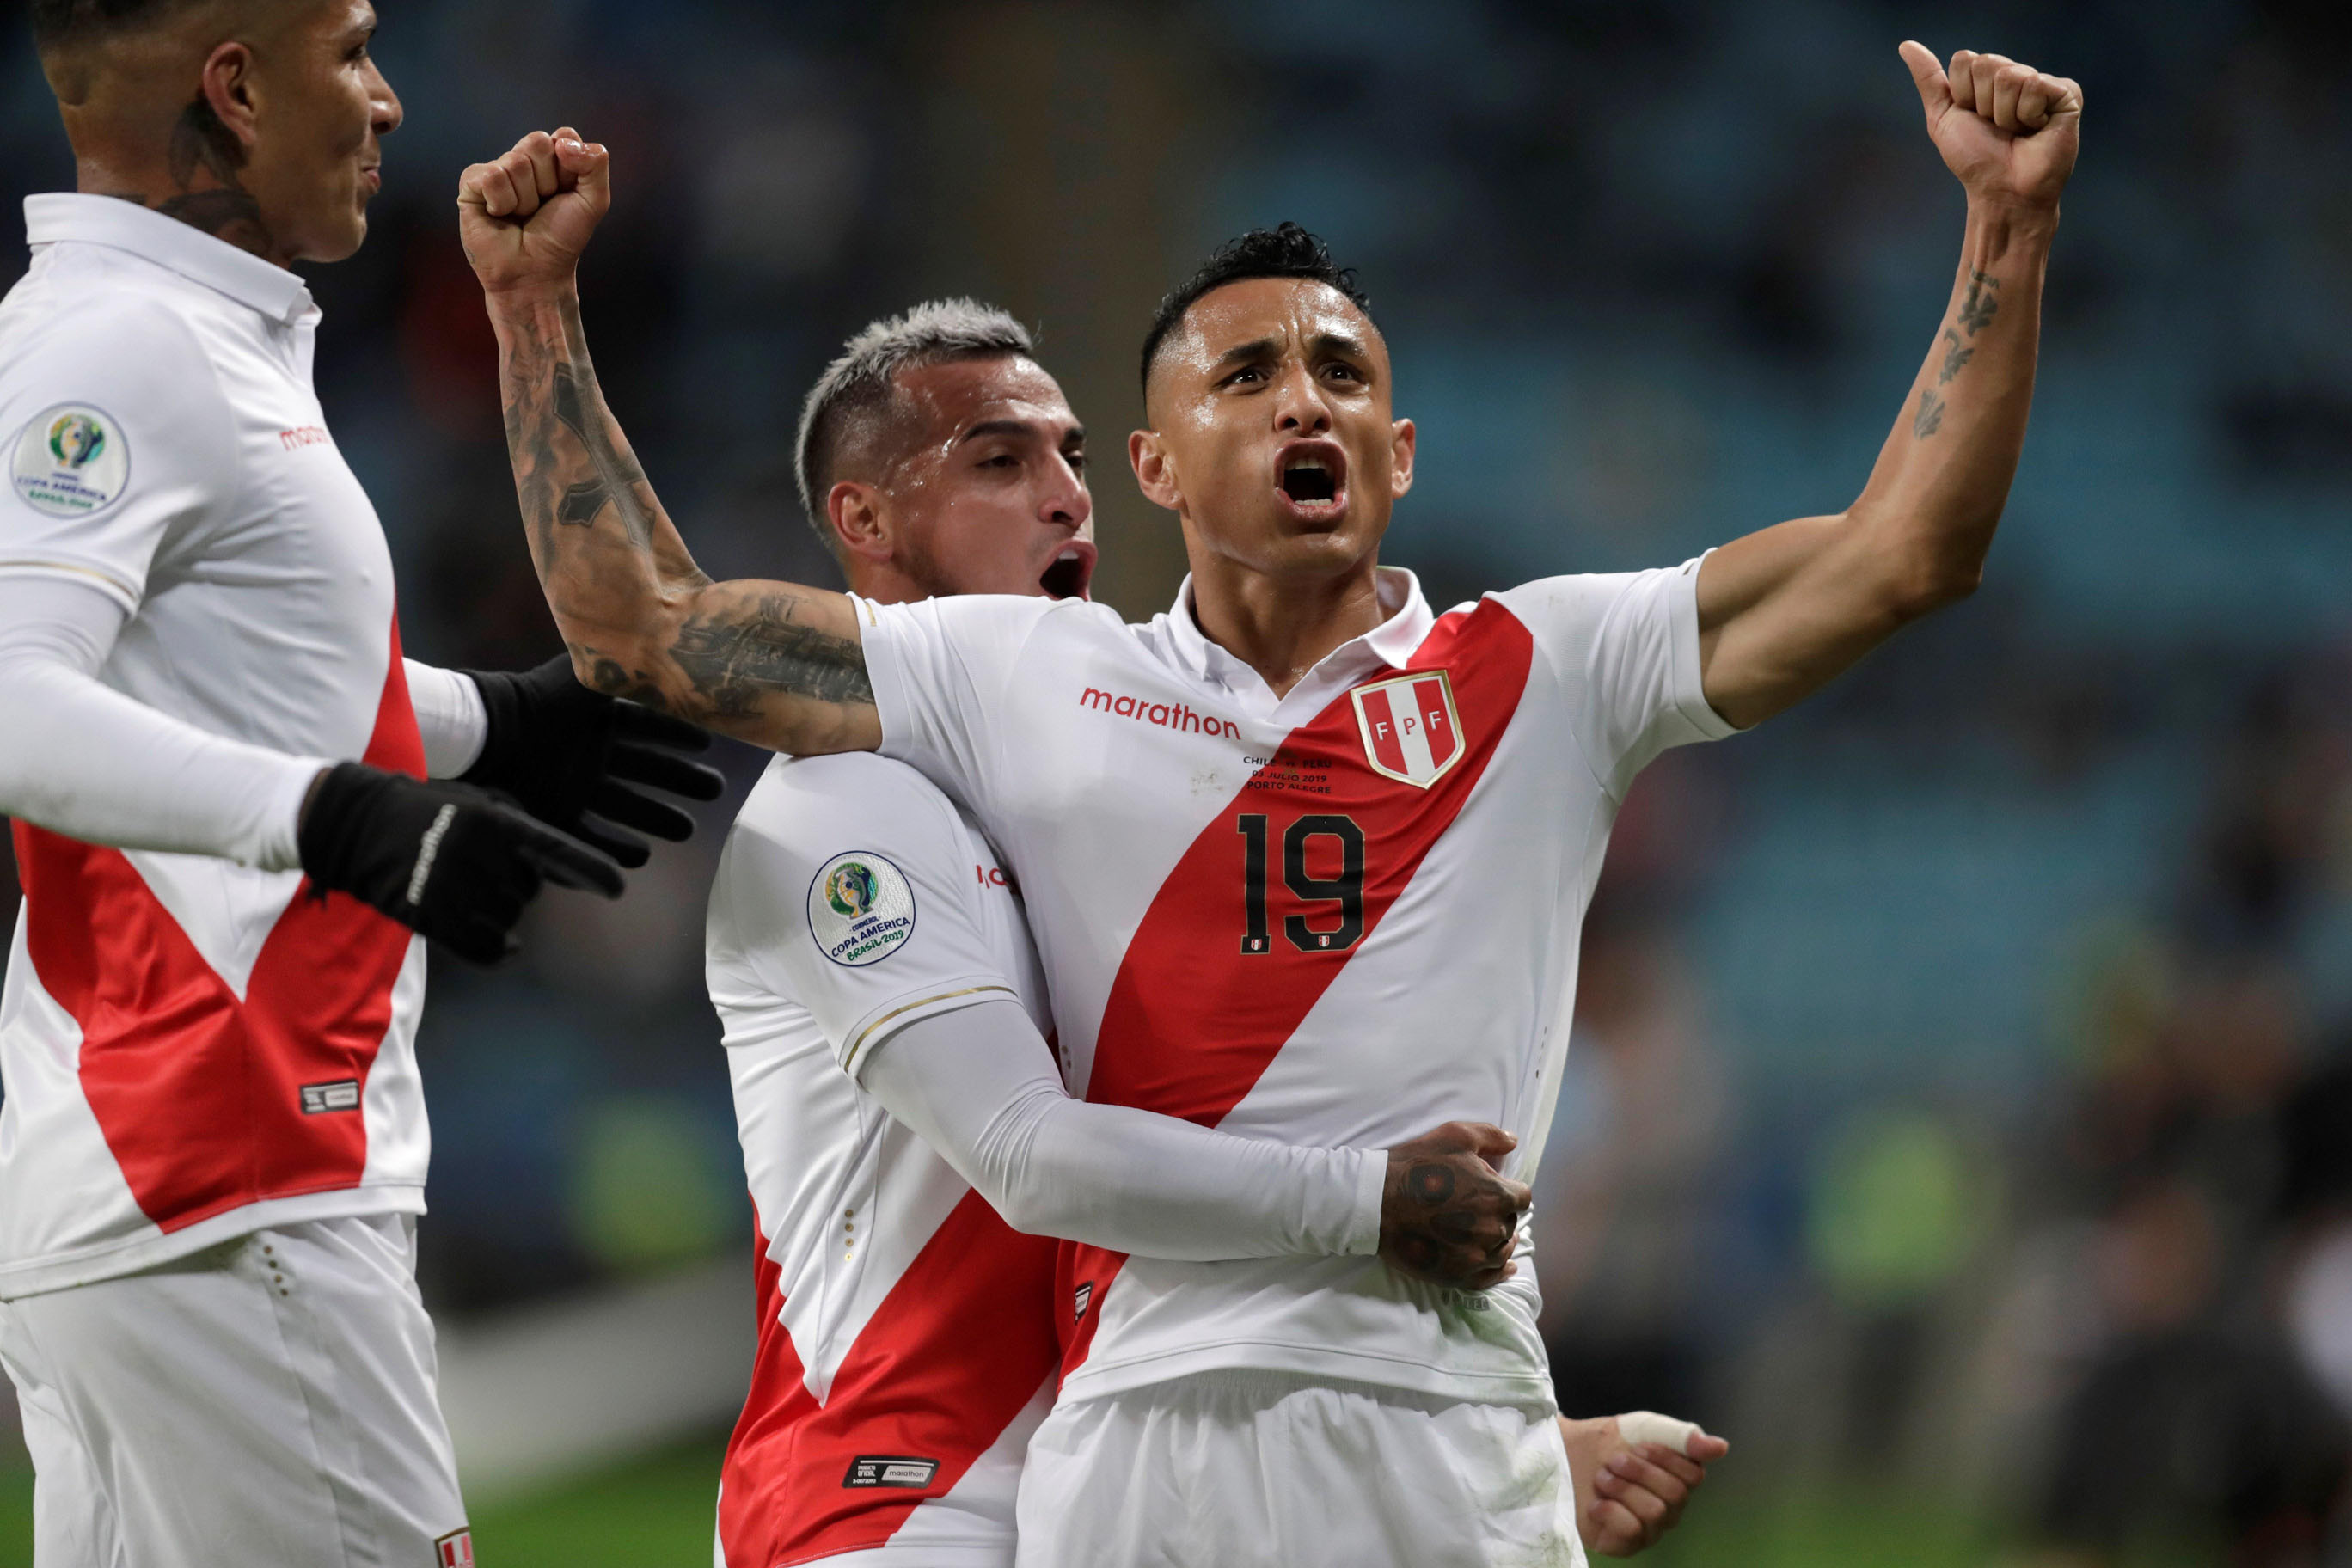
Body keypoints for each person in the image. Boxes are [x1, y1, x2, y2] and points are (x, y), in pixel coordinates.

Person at [461, 39, 2078, 1566]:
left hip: (1454, 1434)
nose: (1306, 398)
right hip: (1142, 1454)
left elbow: (1902, 553)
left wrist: (2005, 228)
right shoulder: (1026, 678)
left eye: (1344, 371)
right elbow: (646, 626)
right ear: (1159, 468)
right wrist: (534, 306)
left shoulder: (1552, 664)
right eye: (1247, 374)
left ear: (1403, 450)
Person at [700, 297, 1723, 1565]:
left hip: (1061, 1490)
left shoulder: (1079, 809)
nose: (1067, 498)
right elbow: (1036, 1152)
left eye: (1072, 456)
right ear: (865, 524)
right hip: (881, 1504)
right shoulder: (846, 808)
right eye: (1002, 463)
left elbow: (1234, 1117)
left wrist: (1506, 1438)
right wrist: (1370, 1203)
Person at [0, 3, 719, 1564]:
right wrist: (331, 816)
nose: (389, 102)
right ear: (237, 87)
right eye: (352, 51)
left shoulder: (179, 333)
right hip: (231, 1163)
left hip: (174, 1196)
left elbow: (228, 674)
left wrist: (483, 725)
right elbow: (14, 703)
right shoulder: (116, 343)